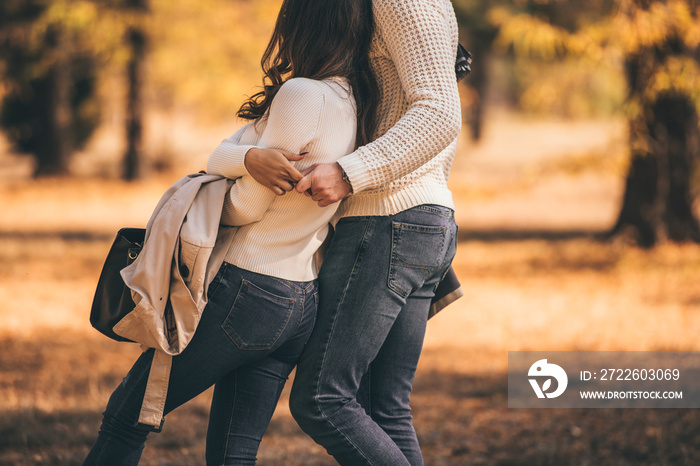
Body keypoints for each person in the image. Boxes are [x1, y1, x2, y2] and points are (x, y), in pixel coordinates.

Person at [83, 0, 377, 464]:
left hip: (247, 291)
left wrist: (234, 157)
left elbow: (244, 206)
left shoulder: (303, 95)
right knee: (231, 452)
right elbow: (231, 161)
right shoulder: (355, 102)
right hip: (300, 301)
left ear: (302, 24)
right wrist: (243, 158)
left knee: (127, 416)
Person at [221, 0, 462, 464]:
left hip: (388, 220)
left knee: (322, 400)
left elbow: (439, 111)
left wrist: (351, 172)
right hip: (409, 220)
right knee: (382, 412)